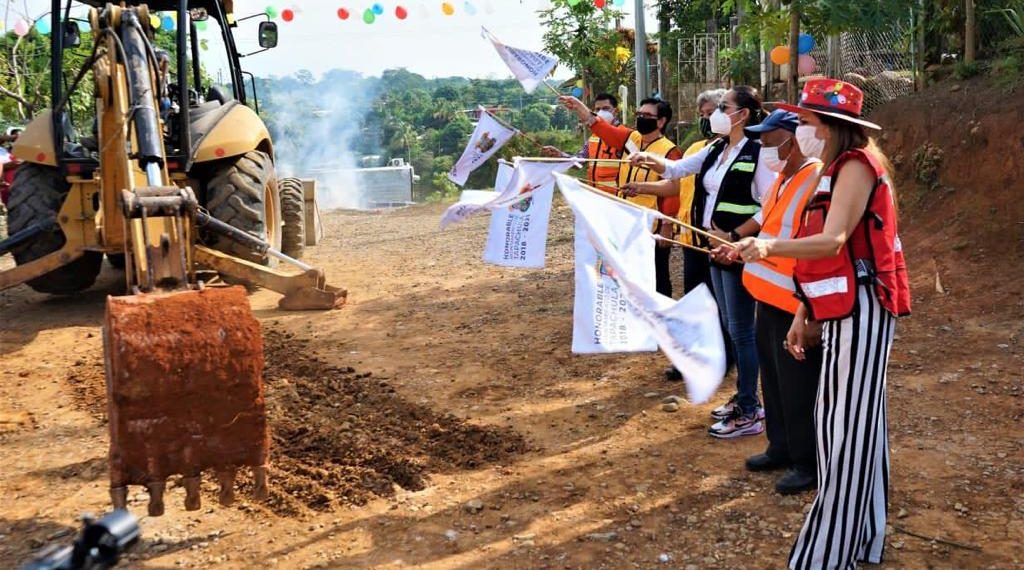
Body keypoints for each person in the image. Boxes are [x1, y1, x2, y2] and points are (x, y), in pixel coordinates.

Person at [732, 78, 911, 569]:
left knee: (845, 429)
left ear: (829, 126)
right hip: (840, 309)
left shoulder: (856, 165)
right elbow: (836, 253)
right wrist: (803, 309)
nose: (801, 129)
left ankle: (829, 552)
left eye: (806, 121)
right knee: (857, 427)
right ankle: (863, 537)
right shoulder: (833, 169)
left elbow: (833, 241)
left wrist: (768, 246)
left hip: (866, 310)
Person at [624, 86, 776, 439]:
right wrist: (649, 161)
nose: (716, 113)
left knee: (741, 331)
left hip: (736, 250)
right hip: (712, 248)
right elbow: (676, 169)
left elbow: (770, 206)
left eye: (724, 107)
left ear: (744, 115)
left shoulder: (758, 154)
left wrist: (737, 237)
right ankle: (743, 398)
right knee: (731, 325)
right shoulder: (716, 149)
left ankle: (750, 408)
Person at [734, 109, 823, 495]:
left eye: (770, 139)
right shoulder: (782, 179)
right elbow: (768, 227)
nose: (764, 145)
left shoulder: (816, 178)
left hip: (794, 302)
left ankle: (807, 462)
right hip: (766, 297)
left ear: (794, 139)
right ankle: (781, 446)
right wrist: (739, 246)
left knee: (799, 385)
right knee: (772, 379)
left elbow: (815, 242)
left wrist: (808, 308)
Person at [559, 95, 682, 297]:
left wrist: (667, 225)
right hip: (627, 223)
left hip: (652, 226)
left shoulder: (669, 151)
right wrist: (580, 108)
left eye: (648, 115)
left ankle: (660, 323)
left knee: (657, 279)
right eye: (639, 114)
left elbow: (675, 188)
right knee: (630, 277)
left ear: (661, 121)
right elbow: (600, 127)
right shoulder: (631, 139)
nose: (641, 118)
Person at [664, 87, 727, 382]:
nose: (706, 120)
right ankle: (689, 357)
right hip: (690, 238)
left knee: (720, 303)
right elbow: (675, 180)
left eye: (710, 113)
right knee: (693, 299)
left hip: (719, 239)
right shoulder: (699, 149)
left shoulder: (740, 151)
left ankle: (722, 357)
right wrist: (643, 187)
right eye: (702, 115)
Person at [541, 93, 622, 194]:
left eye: (605, 108)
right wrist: (560, 155)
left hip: (619, 199)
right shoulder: (593, 139)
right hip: (597, 196)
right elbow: (579, 163)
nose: (601, 112)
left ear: (616, 111)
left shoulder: (625, 136)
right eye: (597, 110)